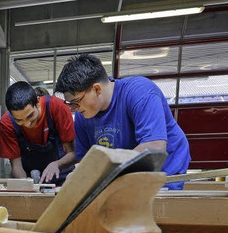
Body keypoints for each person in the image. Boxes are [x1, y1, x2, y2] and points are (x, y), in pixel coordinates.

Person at [54, 53, 190, 190]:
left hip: (164, 164)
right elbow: (86, 160)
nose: (73, 109)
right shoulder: (82, 115)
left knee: (155, 206)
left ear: (97, 89)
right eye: (70, 104)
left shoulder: (139, 92)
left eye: (76, 102)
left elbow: (154, 147)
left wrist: (105, 171)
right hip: (123, 169)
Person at [0, 81, 76, 185]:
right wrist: (26, 187)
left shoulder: (57, 107)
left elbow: (73, 153)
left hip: (62, 176)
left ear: (38, 102)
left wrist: (57, 164)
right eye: (19, 120)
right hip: (29, 178)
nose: (27, 124)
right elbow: (16, 166)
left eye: (30, 116)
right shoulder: (7, 123)